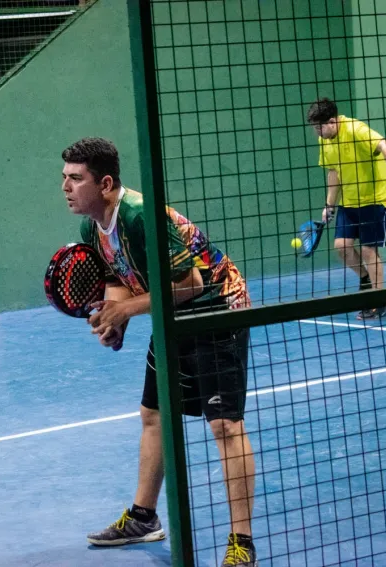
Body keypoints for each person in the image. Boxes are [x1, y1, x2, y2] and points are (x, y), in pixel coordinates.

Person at [61, 137, 257, 566]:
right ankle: (143, 518)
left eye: (76, 178)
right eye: (65, 178)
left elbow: (191, 284)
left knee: (224, 425)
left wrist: (126, 310)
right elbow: (119, 278)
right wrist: (116, 322)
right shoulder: (92, 228)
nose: (66, 187)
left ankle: (242, 543)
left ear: (105, 183)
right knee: (154, 414)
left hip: (216, 309)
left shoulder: (138, 215)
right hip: (173, 315)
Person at [307, 97, 386, 319]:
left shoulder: (356, 130)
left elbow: (385, 145)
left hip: (376, 200)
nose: (317, 132)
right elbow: (333, 171)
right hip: (350, 202)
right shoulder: (325, 140)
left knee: (368, 250)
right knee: (341, 247)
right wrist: (329, 204)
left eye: (319, 127)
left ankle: (378, 300)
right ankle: (366, 279)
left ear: (333, 121)